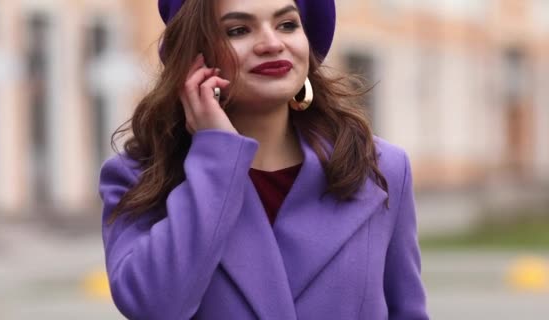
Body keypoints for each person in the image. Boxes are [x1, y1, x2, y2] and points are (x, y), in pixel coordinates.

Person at [99, 0, 429, 319]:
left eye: (287, 25)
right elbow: (154, 306)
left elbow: (408, 312)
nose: (271, 44)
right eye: (239, 30)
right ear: (195, 57)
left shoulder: (378, 168)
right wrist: (215, 155)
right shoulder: (141, 177)